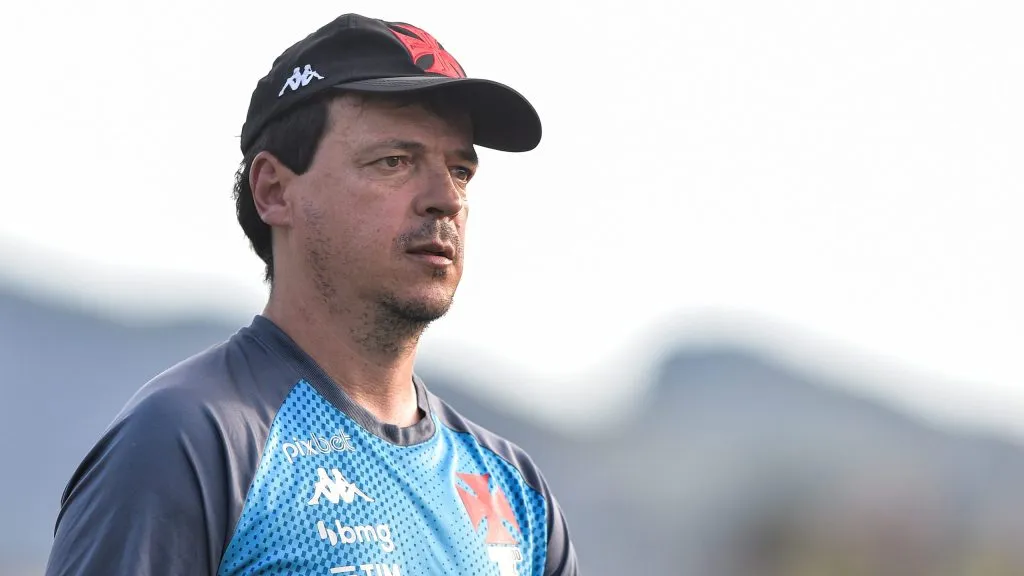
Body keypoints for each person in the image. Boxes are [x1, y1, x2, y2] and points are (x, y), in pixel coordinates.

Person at [45, 12, 578, 576]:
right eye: (394, 162)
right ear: (274, 191)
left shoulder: (515, 493)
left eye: (461, 170)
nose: (445, 198)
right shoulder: (189, 442)